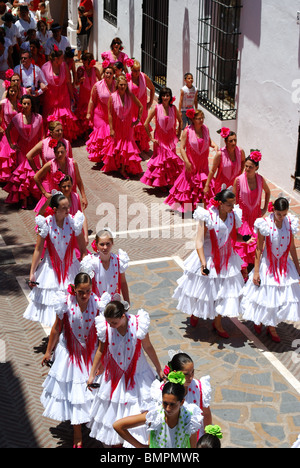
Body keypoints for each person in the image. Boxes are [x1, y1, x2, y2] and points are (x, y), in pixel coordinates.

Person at [86, 294, 163, 447]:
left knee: (139, 419)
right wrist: (91, 375)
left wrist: (159, 368)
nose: (111, 325)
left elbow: (147, 347)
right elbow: (101, 351)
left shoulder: (138, 324)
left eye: (114, 322)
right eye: (109, 322)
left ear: (123, 316)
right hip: (114, 379)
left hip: (139, 379)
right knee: (113, 416)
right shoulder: (105, 327)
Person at [173, 188, 247, 338]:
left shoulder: (233, 216)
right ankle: (196, 313)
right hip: (208, 258)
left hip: (227, 259)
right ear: (220, 203)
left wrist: (244, 238)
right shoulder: (207, 216)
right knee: (203, 291)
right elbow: (199, 241)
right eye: (229, 205)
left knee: (224, 292)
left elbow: (232, 236)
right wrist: (203, 263)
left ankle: (217, 322)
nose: (232, 208)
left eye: (234, 204)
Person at [40, 272, 100, 448]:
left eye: (87, 291)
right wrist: (48, 351)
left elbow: (103, 334)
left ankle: (89, 423)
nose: (84, 295)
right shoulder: (64, 304)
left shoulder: (98, 304)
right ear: (74, 290)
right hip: (70, 355)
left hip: (90, 354)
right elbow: (56, 329)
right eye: (80, 292)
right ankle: (77, 434)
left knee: (91, 393)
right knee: (74, 394)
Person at [241, 196, 300, 343]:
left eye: (285, 214)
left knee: (279, 298)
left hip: (284, 266)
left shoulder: (290, 223)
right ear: (273, 210)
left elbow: (292, 247)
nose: (282, 217)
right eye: (279, 214)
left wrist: (298, 269)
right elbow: (259, 248)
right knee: (265, 297)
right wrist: (255, 271)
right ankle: (261, 320)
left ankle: (271, 326)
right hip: (268, 266)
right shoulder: (265, 224)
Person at [23, 192, 87, 327]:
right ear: (55, 210)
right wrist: (32, 272)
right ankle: (57, 336)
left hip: (71, 269)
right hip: (50, 270)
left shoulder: (74, 222)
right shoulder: (46, 224)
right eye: (64, 208)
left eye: (68, 207)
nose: (67, 210)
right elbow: (39, 249)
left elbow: (82, 249)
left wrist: (85, 269)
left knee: (70, 305)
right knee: (53, 309)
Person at [113, 371, 203, 448]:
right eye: (165, 403)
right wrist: (141, 446)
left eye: (172, 405)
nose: (168, 408)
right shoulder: (155, 415)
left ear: (182, 402)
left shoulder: (189, 419)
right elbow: (118, 425)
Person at [165, 109, 218, 213]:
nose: (201, 120)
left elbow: (209, 139)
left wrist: (214, 145)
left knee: (203, 185)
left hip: (203, 164)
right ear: (193, 120)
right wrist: (187, 162)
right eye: (199, 118)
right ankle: (188, 209)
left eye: (202, 118)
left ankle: (201, 209)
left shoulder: (205, 129)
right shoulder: (187, 131)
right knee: (188, 186)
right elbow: (182, 148)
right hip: (192, 164)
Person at [232, 151, 270, 280]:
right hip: (242, 221)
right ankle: (241, 277)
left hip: (256, 220)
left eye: (250, 167)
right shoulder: (238, 180)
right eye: (246, 166)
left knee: (255, 251)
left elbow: (268, 191)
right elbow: (233, 200)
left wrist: (264, 208)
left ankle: (251, 275)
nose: (247, 169)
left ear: (257, 168)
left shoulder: (260, 180)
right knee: (242, 250)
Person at [3, 94, 44, 208]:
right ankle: (24, 199)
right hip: (21, 150)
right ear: (21, 104)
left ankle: (31, 196)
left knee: (33, 174)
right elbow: (7, 130)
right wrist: (11, 145)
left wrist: (42, 149)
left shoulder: (38, 118)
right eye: (24, 103)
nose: (26, 106)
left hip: (34, 150)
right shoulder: (17, 118)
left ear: (31, 105)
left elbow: (42, 135)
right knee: (23, 175)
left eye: (28, 104)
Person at [140, 87, 184, 189]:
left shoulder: (173, 108)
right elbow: (146, 123)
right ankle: (160, 183)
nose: (165, 97)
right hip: (160, 139)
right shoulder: (156, 108)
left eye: (167, 95)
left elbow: (180, 121)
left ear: (170, 97)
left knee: (170, 161)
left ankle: (168, 182)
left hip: (171, 140)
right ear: (161, 97)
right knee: (161, 161)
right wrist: (151, 138)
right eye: (163, 95)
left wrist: (178, 133)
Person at [103, 74, 143, 178]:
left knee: (127, 147)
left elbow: (140, 106)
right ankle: (117, 166)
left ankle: (123, 169)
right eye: (121, 85)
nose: (123, 87)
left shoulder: (130, 96)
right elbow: (110, 114)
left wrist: (137, 120)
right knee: (117, 146)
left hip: (128, 126)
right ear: (117, 85)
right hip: (117, 125)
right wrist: (111, 128)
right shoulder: (112, 97)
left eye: (125, 85)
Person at [33, 140, 88, 211]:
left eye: (62, 152)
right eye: (57, 152)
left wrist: (83, 197)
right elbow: (36, 177)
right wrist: (45, 193)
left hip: (71, 199)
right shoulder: (50, 164)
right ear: (54, 153)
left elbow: (78, 181)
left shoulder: (73, 163)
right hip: (57, 200)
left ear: (66, 151)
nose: (60, 154)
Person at [80, 228, 130, 303]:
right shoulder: (91, 262)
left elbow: (123, 282)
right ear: (96, 245)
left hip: (113, 305)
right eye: (102, 244)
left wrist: (127, 301)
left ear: (112, 243)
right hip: (96, 304)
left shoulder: (118, 261)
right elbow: (85, 285)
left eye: (108, 244)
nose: (105, 247)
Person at [41, 48, 79, 142]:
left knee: (64, 116)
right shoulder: (45, 67)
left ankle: (64, 137)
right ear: (55, 59)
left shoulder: (64, 65)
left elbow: (68, 82)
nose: (63, 59)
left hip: (63, 95)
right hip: (51, 97)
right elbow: (41, 82)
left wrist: (72, 95)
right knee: (51, 116)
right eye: (61, 57)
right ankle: (52, 136)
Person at [86, 64, 115, 163]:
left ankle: (107, 157)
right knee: (102, 136)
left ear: (113, 75)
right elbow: (91, 100)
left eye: (110, 73)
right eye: (107, 73)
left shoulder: (117, 85)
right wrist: (89, 113)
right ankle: (100, 157)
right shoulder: (97, 85)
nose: (108, 75)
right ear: (104, 74)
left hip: (112, 116)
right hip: (99, 115)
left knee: (110, 137)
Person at [204, 127, 245, 197]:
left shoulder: (240, 151)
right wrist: (207, 185)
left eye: (235, 140)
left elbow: (243, 161)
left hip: (235, 185)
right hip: (222, 186)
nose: (234, 143)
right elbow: (212, 171)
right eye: (231, 141)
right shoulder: (220, 154)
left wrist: (240, 173)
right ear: (225, 142)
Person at [127, 59, 155, 152]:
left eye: (138, 70)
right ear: (131, 70)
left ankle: (141, 146)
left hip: (142, 107)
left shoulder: (144, 77)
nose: (137, 72)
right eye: (134, 70)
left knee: (142, 126)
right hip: (131, 107)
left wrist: (150, 102)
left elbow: (152, 88)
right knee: (132, 126)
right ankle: (133, 146)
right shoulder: (127, 78)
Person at [76, 52, 100, 137]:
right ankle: (85, 132)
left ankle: (92, 130)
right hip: (84, 94)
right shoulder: (80, 69)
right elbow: (76, 83)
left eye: (85, 61)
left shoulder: (95, 70)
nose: (84, 63)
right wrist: (80, 81)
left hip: (92, 93)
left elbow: (100, 80)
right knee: (84, 112)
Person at [0, 84, 18, 182]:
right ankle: (6, 178)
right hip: (6, 132)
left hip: (18, 133)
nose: (13, 93)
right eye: (11, 91)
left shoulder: (20, 103)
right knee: (7, 154)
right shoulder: (3, 103)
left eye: (15, 91)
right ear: (8, 91)